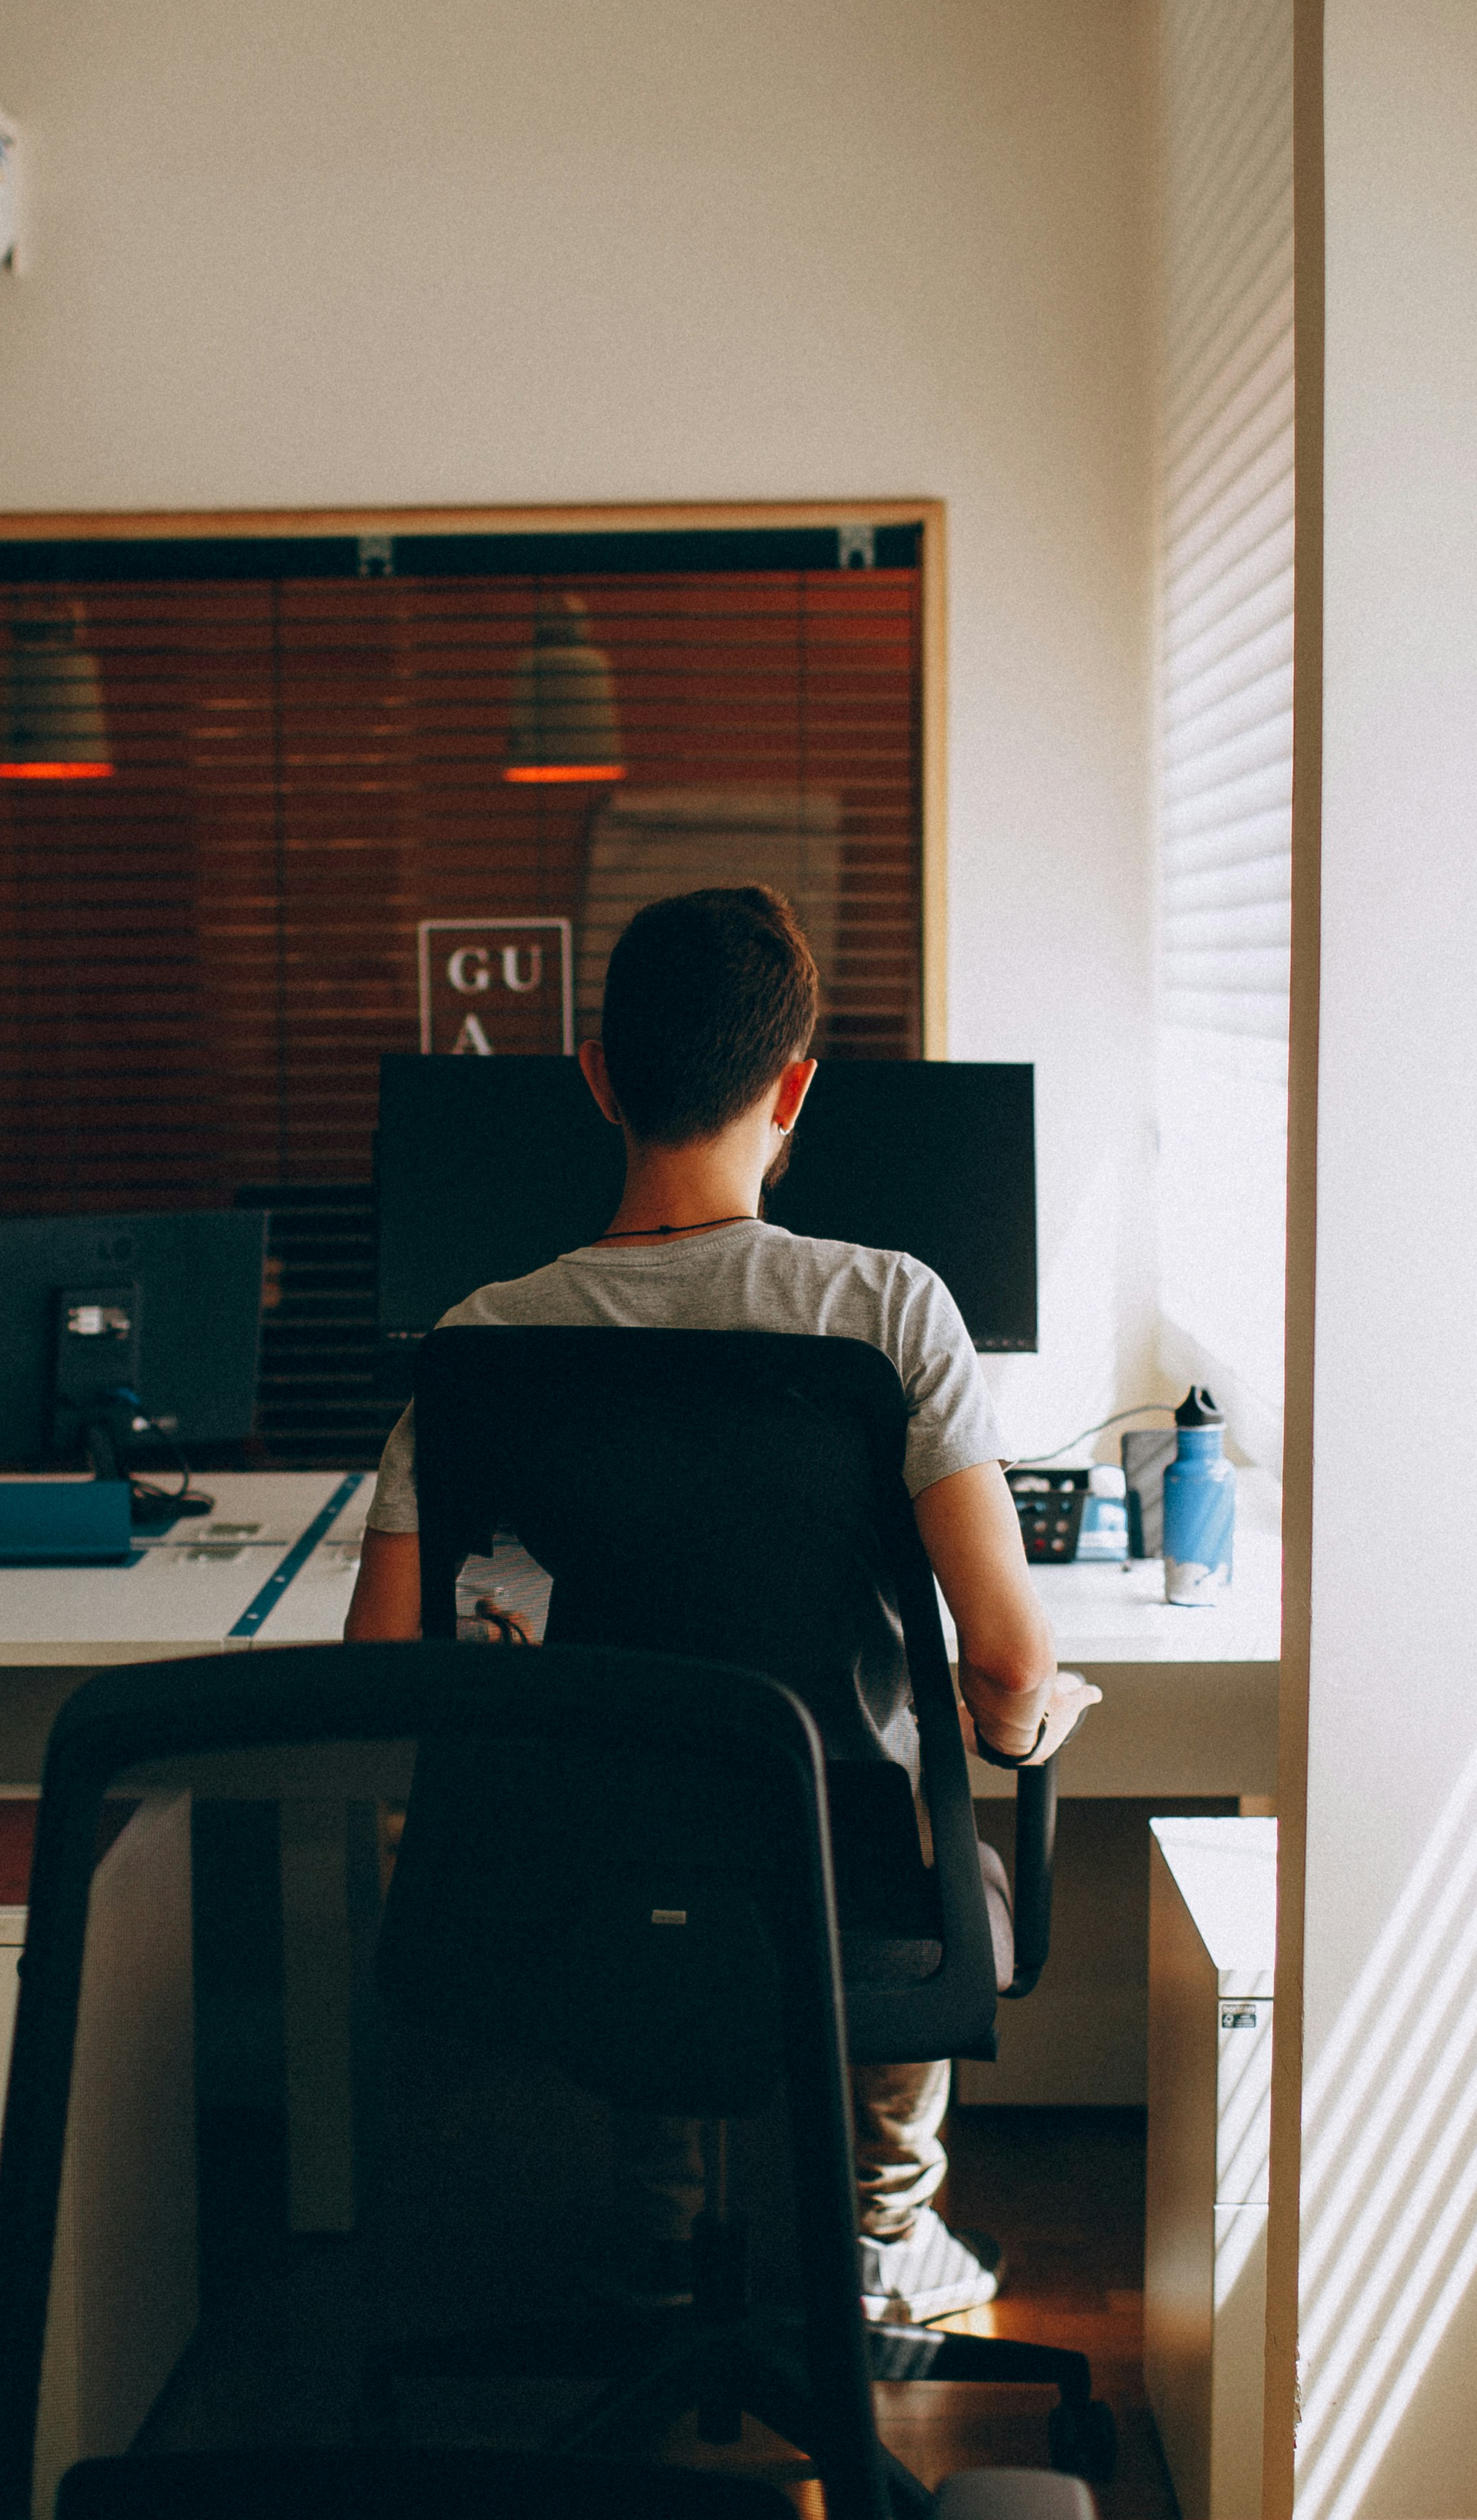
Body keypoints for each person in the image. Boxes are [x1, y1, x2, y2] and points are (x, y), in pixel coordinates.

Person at [346, 882, 1102, 2325]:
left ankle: (659, 2232)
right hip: (837, 1891)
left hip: (568, 1891)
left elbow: (389, 1672)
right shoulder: (886, 1312)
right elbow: (1007, 1667)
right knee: (888, 1812)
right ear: (796, 1085)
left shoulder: (480, 1345)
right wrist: (1012, 1719)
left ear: (597, 1079)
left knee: (632, 1811)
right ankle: (883, 2236)